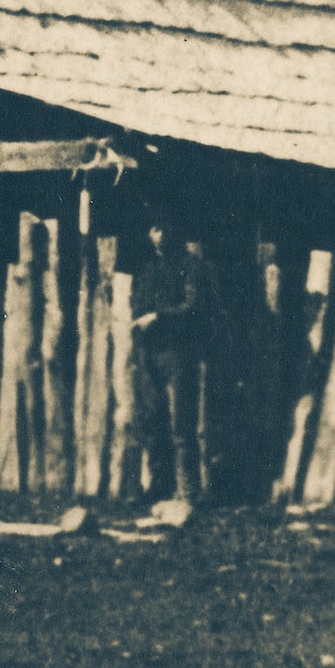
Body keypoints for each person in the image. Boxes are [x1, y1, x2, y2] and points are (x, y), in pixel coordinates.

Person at [129, 217, 214, 507]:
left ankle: (188, 491)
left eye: (164, 228)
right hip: (149, 352)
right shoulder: (149, 269)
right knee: (152, 420)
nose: (159, 235)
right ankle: (159, 486)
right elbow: (136, 303)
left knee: (182, 425)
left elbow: (194, 308)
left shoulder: (192, 266)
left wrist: (159, 317)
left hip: (179, 352)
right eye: (154, 229)